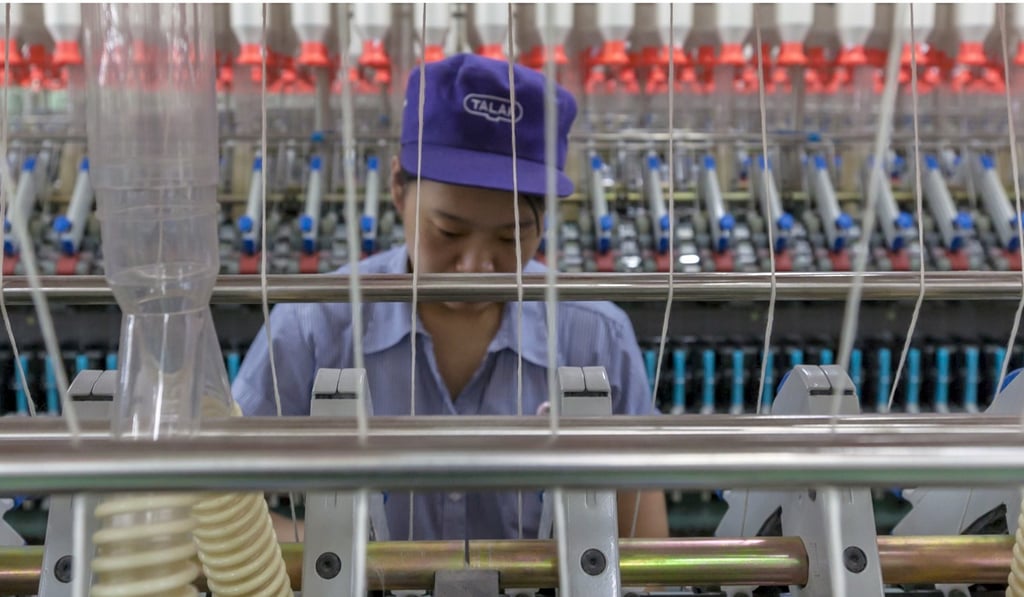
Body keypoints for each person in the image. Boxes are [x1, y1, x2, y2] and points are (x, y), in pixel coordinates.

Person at [232, 53, 669, 541]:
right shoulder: (313, 324)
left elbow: (643, 544)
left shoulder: (596, 334)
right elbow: (215, 505)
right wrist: (340, 559)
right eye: (448, 231)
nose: (476, 268)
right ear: (398, 188)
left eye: (511, 239)